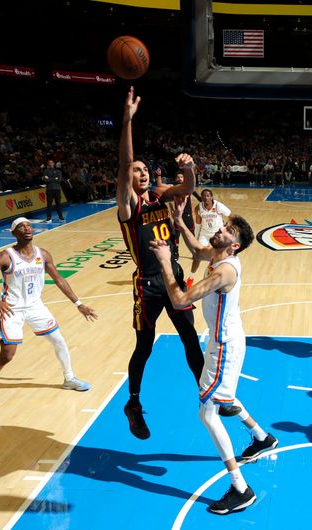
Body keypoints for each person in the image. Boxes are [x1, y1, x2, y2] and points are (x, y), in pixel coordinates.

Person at [150, 198, 276, 515]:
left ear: (233, 246)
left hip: (224, 347)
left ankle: (240, 488)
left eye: (227, 229)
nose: (219, 228)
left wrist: (165, 261)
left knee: (207, 413)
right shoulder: (218, 255)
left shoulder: (223, 273)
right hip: (226, 341)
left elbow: (179, 300)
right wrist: (179, 221)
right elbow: (196, 250)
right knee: (225, 398)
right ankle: (261, 437)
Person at [116, 87, 204, 439]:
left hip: (175, 276)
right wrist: (127, 121)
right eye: (136, 171)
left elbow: (188, 187)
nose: (141, 173)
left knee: (190, 337)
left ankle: (207, 392)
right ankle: (133, 403)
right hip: (148, 284)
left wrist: (190, 167)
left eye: (144, 170)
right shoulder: (129, 207)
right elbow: (124, 164)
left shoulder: (162, 197)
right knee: (145, 345)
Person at [0, 217, 96, 407]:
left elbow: (59, 279)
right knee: (7, 355)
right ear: (14, 233)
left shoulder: (43, 254)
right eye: (21, 227)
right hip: (12, 309)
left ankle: (69, 378)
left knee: (59, 340)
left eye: (29, 225)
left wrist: (78, 303)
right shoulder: (4, 256)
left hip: (36, 306)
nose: (27, 228)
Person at [188, 189, 231, 287]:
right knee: (197, 256)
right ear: (201, 197)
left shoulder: (218, 206)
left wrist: (225, 228)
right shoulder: (198, 208)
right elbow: (198, 224)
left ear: (211, 197)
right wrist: (195, 238)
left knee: (216, 256)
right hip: (204, 234)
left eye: (208, 196)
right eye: (203, 196)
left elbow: (230, 214)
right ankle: (191, 277)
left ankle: (214, 273)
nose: (205, 198)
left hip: (216, 235)